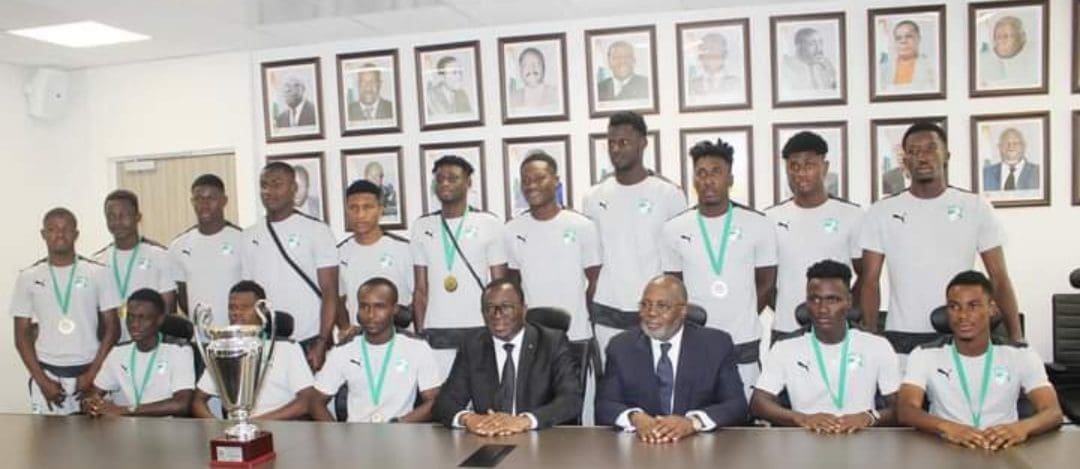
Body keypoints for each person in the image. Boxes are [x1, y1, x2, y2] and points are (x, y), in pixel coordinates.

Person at [859, 122, 1024, 346]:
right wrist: (869, 338)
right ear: (905, 161)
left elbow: (999, 277)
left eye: (930, 149)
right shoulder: (881, 211)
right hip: (903, 337)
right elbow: (869, 281)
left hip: (960, 336)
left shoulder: (975, 207)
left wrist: (1016, 337)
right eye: (914, 151)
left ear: (946, 155)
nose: (922, 157)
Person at [662, 138, 776, 397]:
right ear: (694, 180)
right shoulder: (674, 229)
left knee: (744, 412)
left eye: (716, 172)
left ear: (730, 178)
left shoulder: (758, 224)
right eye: (701, 173)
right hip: (694, 341)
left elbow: (767, 283)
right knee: (698, 412)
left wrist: (744, 314)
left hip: (743, 339)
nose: (708, 180)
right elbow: (674, 288)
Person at [897, 271, 1062, 450]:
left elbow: (1053, 412)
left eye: (973, 306)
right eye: (954, 307)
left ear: (991, 309)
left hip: (1003, 448)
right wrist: (948, 428)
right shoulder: (924, 354)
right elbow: (905, 410)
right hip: (946, 447)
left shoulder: (1021, 354)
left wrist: (1021, 428)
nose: (962, 315)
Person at [504, 151, 601, 423]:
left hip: (575, 336)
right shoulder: (512, 229)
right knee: (534, 413)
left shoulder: (581, 226)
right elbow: (513, 284)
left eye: (539, 178)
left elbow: (594, 280)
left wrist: (580, 314)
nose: (531, 185)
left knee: (572, 415)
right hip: (532, 339)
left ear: (556, 181)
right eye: (526, 180)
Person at [582, 111, 686, 362]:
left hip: (655, 311)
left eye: (624, 142)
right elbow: (592, 258)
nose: (616, 149)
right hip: (607, 310)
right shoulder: (593, 197)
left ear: (642, 143)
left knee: (657, 379)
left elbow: (680, 258)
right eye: (611, 143)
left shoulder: (669, 194)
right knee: (613, 379)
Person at [752, 261, 900, 433]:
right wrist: (802, 418)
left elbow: (900, 407)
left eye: (833, 300)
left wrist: (869, 417)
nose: (822, 309)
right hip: (806, 436)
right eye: (815, 299)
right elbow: (758, 403)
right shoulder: (785, 348)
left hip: (861, 436)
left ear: (849, 302)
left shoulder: (877, 346)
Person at [596, 275, 747, 441]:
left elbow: (736, 405)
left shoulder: (716, 345)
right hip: (642, 444)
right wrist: (635, 418)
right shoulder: (621, 346)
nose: (651, 313)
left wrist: (693, 422)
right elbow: (605, 405)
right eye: (645, 305)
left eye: (662, 306)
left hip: (697, 445)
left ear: (683, 311)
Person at [432, 278, 582, 435]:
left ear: (524, 310)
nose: (497, 315)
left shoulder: (551, 343)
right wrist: (469, 419)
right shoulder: (473, 346)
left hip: (540, 439)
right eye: (490, 308)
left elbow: (571, 399)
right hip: (487, 438)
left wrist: (525, 421)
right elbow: (444, 402)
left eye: (506, 307)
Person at [11, 208, 120, 415]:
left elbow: (113, 329)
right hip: (48, 375)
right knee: (48, 436)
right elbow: (21, 336)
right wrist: (42, 382)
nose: (60, 235)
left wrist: (93, 374)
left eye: (66, 229)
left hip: (91, 373)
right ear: (43, 234)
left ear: (76, 234)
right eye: (52, 229)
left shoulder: (99, 273)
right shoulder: (28, 277)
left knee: (96, 435)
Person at [411, 155, 508, 375]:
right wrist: (421, 333)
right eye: (440, 179)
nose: (445, 183)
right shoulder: (422, 226)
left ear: (468, 182)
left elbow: (501, 288)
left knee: (483, 394)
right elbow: (420, 290)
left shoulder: (489, 223)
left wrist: (501, 331)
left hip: (480, 328)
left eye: (453, 178)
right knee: (441, 394)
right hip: (436, 332)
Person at [764, 132, 863, 337]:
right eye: (794, 166)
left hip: (836, 331)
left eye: (809, 165)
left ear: (824, 167)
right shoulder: (770, 218)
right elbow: (766, 281)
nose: (801, 173)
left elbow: (865, 275)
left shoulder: (852, 215)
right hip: (786, 329)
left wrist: (841, 308)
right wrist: (786, 308)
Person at [242, 162, 339, 370]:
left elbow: (330, 292)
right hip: (267, 342)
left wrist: (322, 341)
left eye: (277, 184)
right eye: (264, 185)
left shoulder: (317, 231)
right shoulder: (248, 236)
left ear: (294, 188)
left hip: (309, 340)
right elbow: (249, 297)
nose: (269, 191)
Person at [312, 277, 441, 423]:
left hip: (401, 432)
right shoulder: (344, 350)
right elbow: (316, 401)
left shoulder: (417, 348)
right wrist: (336, 433)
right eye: (364, 306)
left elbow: (434, 401)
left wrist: (400, 424)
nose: (370, 314)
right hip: (356, 433)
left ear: (395, 309)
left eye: (379, 307)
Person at [192, 281, 316, 420]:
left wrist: (257, 423)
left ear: (262, 310)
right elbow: (198, 401)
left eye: (245, 307)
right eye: (232, 308)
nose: (236, 313)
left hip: (280, 425)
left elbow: (307, 401)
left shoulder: (287, 348)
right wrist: (218, 426)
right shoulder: (222, 349)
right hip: (235, 427)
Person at [83, 288, 194, 417]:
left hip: (164, 426)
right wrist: (91, 404)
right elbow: (93, 394)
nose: (134, 324)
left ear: (159, 320)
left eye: (143, 318)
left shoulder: (179, 350)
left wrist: (125, 410)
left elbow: (181, 404)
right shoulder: (118, 353)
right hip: (124, 426)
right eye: (130, 317)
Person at [94, 189, 176, 341]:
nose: (118, 221)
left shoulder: (159, 256)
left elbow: (168, 308)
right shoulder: (97, 261)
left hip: (150, 345)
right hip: (113, 345)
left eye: (124, 215)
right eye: (111, 216)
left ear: (138, 217)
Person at [337, 180, 413, 341]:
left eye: (367, 207)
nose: (360, 215)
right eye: (353, 208)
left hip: (399, 338)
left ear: (380, 210)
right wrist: (345, 327)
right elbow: (338, 299)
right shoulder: (339, 254)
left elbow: (419, 296)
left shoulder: (404, 249)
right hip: (360, 340)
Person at [168, 174, 243, 325]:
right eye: (198, 199)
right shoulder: (178, 246)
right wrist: (200, 323)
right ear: (192, 202)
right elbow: (182, 295)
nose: (204, 204)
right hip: (199, 335)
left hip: (237, 332)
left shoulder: (243, 240)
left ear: (224, 201)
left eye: (211, 198)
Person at [978, 16, 1037, 87]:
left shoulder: (1034, 56)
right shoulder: (982, 60)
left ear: (1020, 37)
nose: (1002, 41)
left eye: (1006, 36)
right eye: (998, 37)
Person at [878, 20, 935, 91]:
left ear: (919, 39)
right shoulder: (883, 69)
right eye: (898, 38)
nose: (903, 41)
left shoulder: (932, 67)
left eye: (908, 36)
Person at [687, 32, 742, 102]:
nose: (712, 56)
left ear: (725, 55)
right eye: (707, 51)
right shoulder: (691, 85)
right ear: (700, 57)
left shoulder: (736, 83)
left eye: (716, 51)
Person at [779, 27, 837, 92]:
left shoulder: (827, 64)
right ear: (799, 46)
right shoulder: (786, 66)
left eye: (820, 42)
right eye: (812, 44)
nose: (819, 48)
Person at [509, 47, 559, 111]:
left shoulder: (556, 95)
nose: (531, 68)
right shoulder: (512, 99)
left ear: (543, 68)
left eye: (536, 64)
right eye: (526, 65)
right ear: (520, 71)